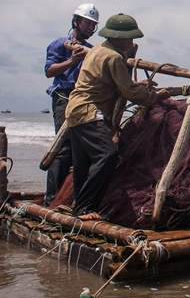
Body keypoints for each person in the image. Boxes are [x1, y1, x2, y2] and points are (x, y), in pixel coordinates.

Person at [64, 13, 170, 220]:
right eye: (127, 38)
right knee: (108, 155)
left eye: (132, 38)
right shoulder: (114, 57)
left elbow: (111, 82)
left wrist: (136, 85)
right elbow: (129, 93)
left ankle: (78, 204)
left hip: (76, 108)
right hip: (89, 110)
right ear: (114, 36)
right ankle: (84, 207)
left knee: (83, 161)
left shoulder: (98, 49)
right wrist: (157, 96)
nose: (130, 42)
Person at [43, 3, 100, 206]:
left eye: (93, 25)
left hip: (84, 98)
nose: (90, 28)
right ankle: (51, 199)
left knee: (82, 147)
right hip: (64, 96)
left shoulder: (92, 50)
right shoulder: (61, 44)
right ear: (76, 21)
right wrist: (72, 61)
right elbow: (49, 71)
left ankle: (74, 196)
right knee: (63, 147)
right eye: (87, 23)